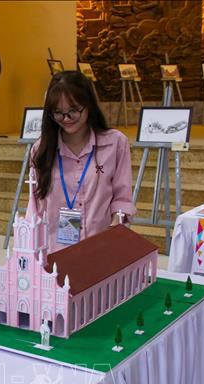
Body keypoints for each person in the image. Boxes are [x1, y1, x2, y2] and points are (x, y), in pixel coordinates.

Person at [26, 70, 135, 253]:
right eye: (58, 113)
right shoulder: (41, 150)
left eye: (73, 111)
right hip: (56, 252)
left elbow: (122, 197)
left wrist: (117, 223)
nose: (66, 119)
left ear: (88, 104)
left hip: (101, 248)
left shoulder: (115, 143)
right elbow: (35, 206)